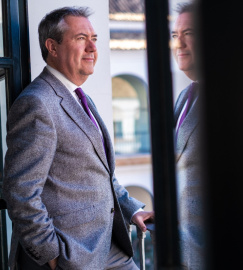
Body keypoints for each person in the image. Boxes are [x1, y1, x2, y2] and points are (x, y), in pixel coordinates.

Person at [3, 6, 154, 270]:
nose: (92, 48)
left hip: (109, 246)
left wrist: (132, 210)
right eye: (81, 39)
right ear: (52, 46)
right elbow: (20, 190)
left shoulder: (81, 97)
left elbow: (102, 174)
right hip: (70, 255)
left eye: (94, 40)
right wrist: (51, 254)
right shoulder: (37, 103)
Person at [172, 2, 204, 270]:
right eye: (175, 35)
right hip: (186, 251)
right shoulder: (186, 96)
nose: (179, 43)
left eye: (189, 33)